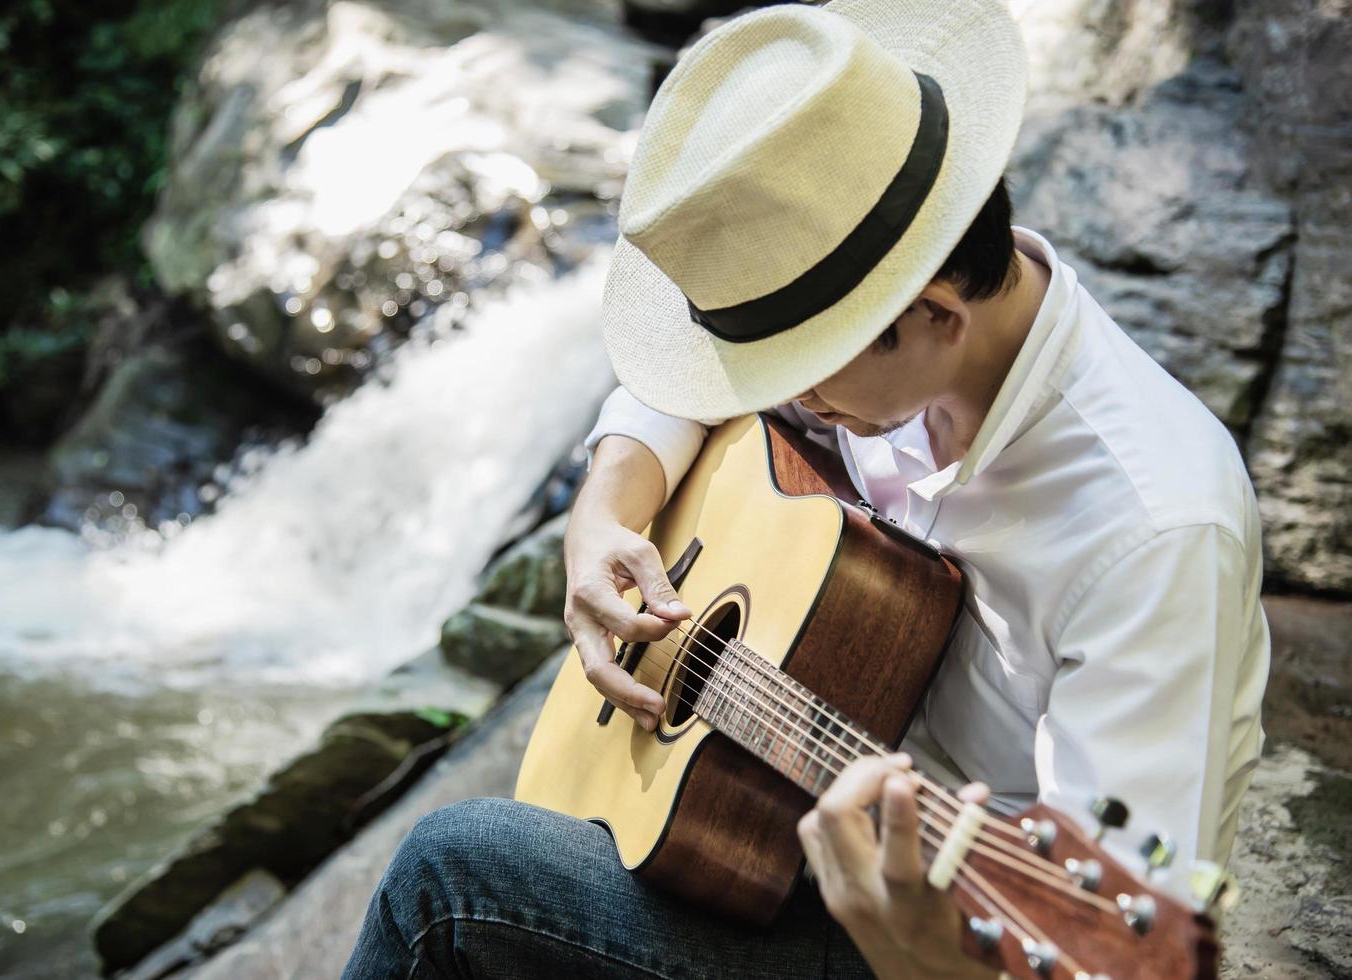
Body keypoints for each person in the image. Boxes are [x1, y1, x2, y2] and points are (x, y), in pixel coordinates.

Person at [342, 0, 1271, 976]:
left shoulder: (1153, 533)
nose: (778, 398)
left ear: (933, 314)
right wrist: (603, 513)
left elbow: (1122, 957)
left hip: (930, 932)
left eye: (803, 367)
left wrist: (917, 951)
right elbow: (675, 395)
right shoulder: (879, 301)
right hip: (770, 809)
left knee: (446, 879)